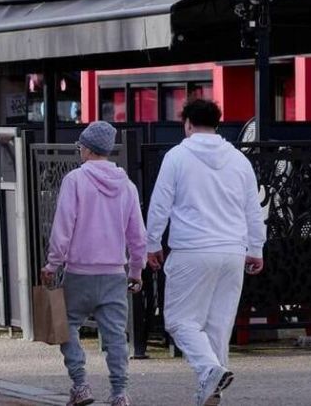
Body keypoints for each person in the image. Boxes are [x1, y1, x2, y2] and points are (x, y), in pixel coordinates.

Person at [145, 99, 266, 406]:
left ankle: (208, 370)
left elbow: (160, 204)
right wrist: (256, 247)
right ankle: (211, 391)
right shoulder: (239, 160)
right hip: (233, 250)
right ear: (218, 123)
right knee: (218, 324)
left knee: (179, 320)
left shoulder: (177, 157)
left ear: (187, 123)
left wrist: (152, 243)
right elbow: (253, 208)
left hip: (192, 248)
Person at [42, 121, 147, 406]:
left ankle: (80, 384)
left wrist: (53, 264)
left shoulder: (75, 180)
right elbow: (138, 235)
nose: (79, 151)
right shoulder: (127, 186)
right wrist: (136, 270)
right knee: (115, 337)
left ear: (87, 149)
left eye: (80, 147)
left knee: (66, 325)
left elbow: (63, 225)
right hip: (115, 273)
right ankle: (120, 392)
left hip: (79, 272)